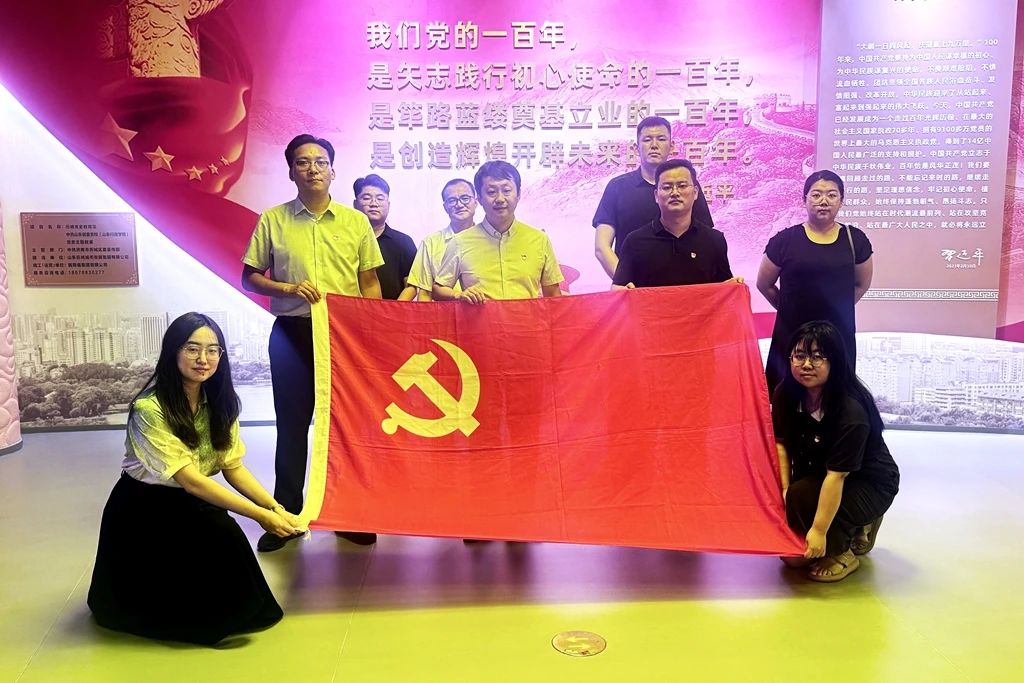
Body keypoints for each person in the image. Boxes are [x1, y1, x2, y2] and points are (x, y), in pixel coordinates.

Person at [88, 313, 302, 645]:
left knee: (226, 536)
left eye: (213, 350)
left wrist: (275, 508)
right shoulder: (149, 409)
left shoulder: (220, 403)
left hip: (191, 498)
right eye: (192, 349)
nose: (203, 358)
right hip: (144, 508)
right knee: (210, 540)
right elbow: (191, 481)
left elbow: (233, 468)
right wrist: (260, 517)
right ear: (173, 352)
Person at [241, 134, 383, 551]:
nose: (313, 169)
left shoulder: (355, 222)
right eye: (302, 162)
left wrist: (371, 332)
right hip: (292, 334)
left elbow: (369, 281)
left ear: (333, 170)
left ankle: (348, 514)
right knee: (291, 426)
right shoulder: (273, 220)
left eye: (321, 161)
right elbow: (249, 277)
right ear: (291, 172)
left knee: (345, 426)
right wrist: (287, 287)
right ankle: (285, 517)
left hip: (344, 337)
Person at [772, 321, 899, 582]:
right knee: (792, 558)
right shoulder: (785, 394)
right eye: (799, 355)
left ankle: (844, 553)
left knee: (808, 499)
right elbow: (781, 443)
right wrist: (784, 490)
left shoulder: (851, 412)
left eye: (818, 357)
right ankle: (843, 531)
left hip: (868, 483)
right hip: (821, 474)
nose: (807, 364)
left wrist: (818, 531)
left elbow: (837, 476)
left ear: (836, 362)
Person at [757, 170, 874, 395]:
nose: (824, 201)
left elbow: (861, 285)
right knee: (788, 398)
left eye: (832, 195)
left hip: (837, 333)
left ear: (841, 200)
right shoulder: (784, 240)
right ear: (805, 199)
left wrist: (837, 308)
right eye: (817, 194)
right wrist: (788, 308)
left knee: (836, 397)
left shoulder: (855, 240)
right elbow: (764, 284)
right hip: (791, 332)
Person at [593, 116, 714, 279]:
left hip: (683, 286)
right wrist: (624, 280)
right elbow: (602, 247)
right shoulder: (617, 187)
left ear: (671, 146)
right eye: (647, 139)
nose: (654, 145)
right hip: (632, 288)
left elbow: (706, 241)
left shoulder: (687, 187)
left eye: (661, 139)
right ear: (636, 147)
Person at [434, 160, 564, 303]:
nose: (500, 199)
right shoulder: (459, 242)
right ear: (479, 199)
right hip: (479, 319)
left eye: (506, 190)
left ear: (518, 194)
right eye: (491, 192)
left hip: (527, 318)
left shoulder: (539, 239)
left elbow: (553, 295)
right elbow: (438, 289)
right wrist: (458, 295)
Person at [612, 159, 740, 289]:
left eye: (682, 186)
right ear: (656, 195)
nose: (675, 193)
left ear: (695, 192)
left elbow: (725, 289)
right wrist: (622, 290)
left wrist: (735, 286)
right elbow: (618, 287)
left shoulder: (714, 240)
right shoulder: (635, 241)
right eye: (667, 187)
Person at [405, 178, 479, 301]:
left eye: (465, 198)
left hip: (480, 310)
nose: (459, 205)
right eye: (452, 200)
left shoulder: (488, 240)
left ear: (476, 202)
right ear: (445, 207)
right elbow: (425, 292)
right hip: (442, 312)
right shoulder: (430, 243)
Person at [353, 174, 418, 300]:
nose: (373, 203)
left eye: (380, 198)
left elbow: (411, 285)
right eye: (366, 198)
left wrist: (394, 309)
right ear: (355, 204)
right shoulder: (345, 240)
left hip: (393, 310)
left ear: (388, 204)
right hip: (351, 309)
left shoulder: (403, 242)